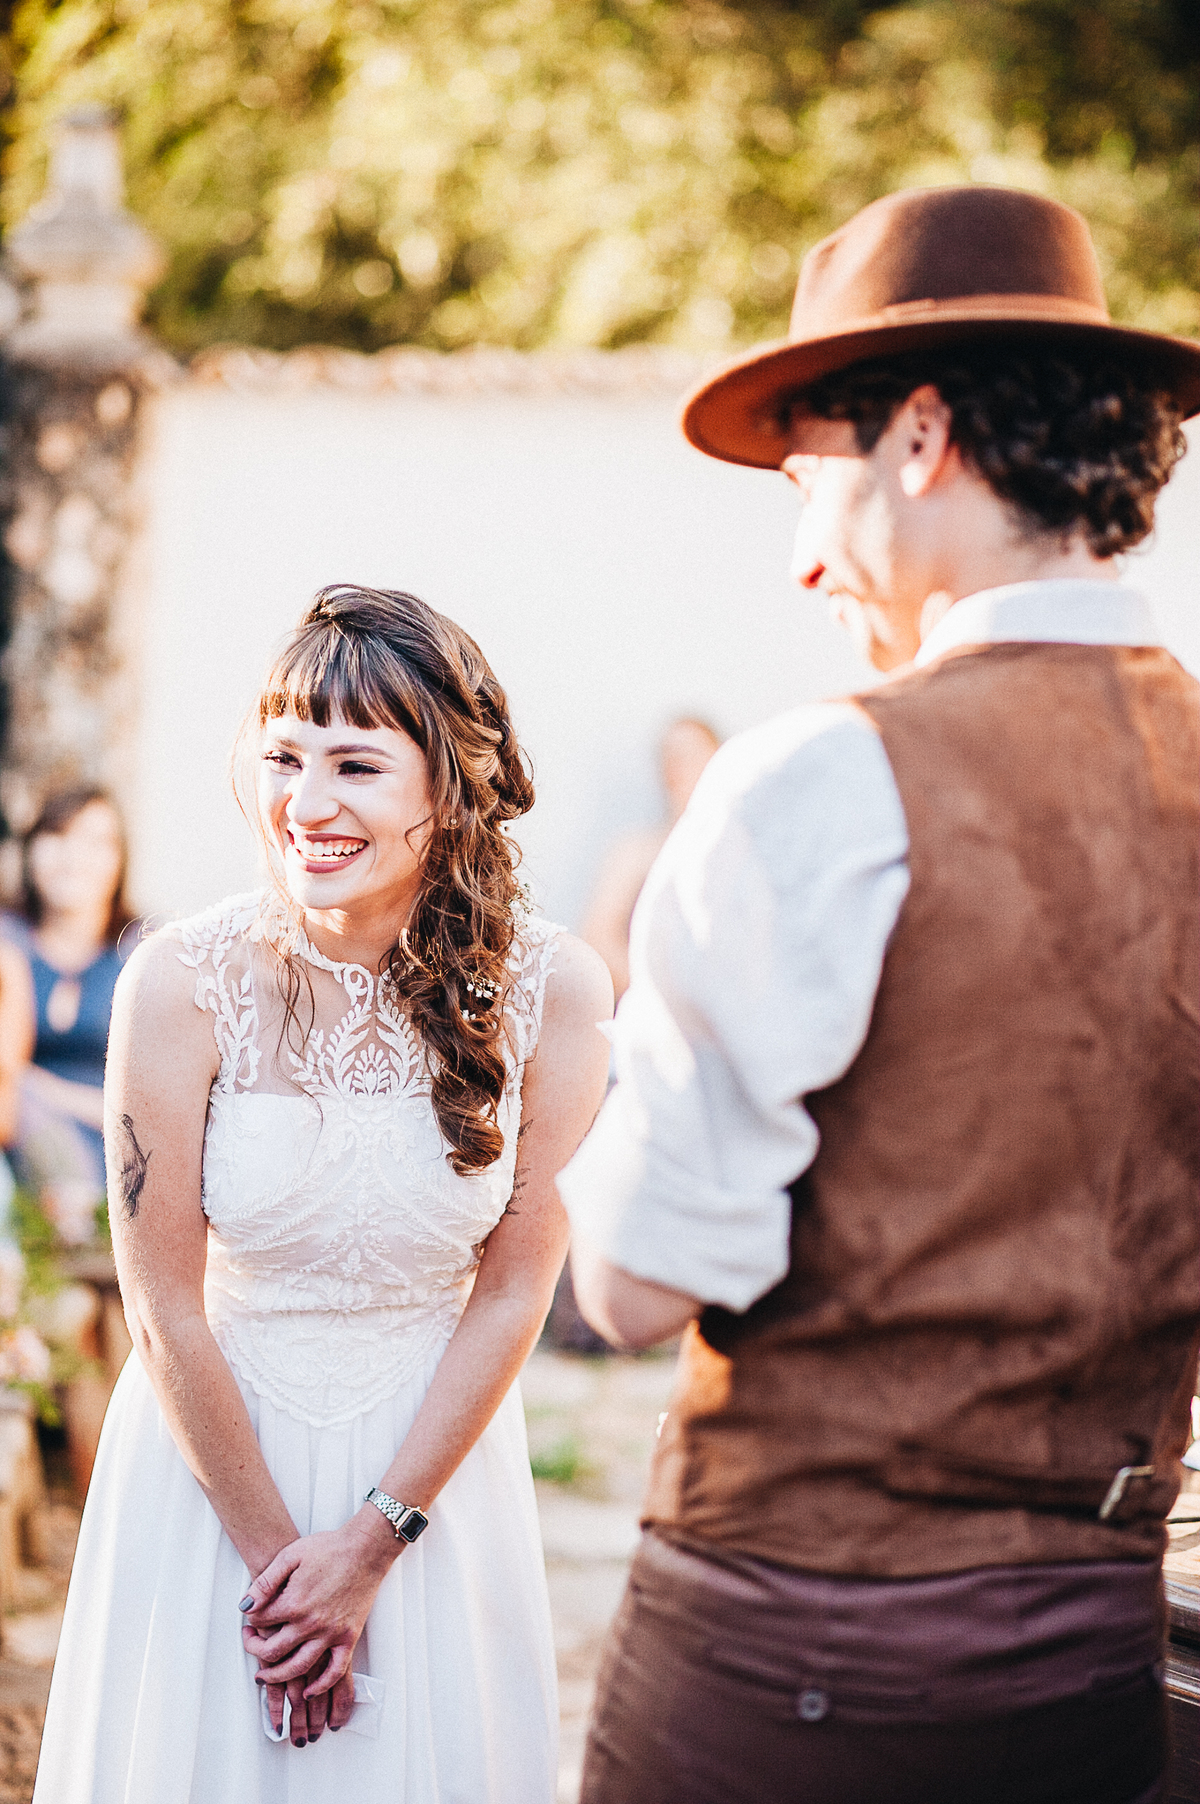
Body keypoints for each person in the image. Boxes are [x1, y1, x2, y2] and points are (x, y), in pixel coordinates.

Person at [559, 185, 1200, 1804]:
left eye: (806, 482)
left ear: (920, 439)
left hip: (794, 1666)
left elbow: (633, 1284)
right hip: (1103, 1669)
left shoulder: (824, 774)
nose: (797, 559)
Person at [32, 585, 612, 1803]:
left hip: (430, 1479)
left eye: (356, 763)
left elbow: (515, 1290)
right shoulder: (181, 984)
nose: (306, 802)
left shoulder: (555, 990)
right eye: (284, 756)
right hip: (209, 1475)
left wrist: (372, 1540)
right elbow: (162, 1304)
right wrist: (281, 1568)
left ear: (448, 787)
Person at [7, 787, 137, 1240]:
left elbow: (153, 1099)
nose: (72, 856)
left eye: (95, 841)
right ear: (30, 848)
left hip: (117, 1152)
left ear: (119, 859)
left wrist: (37, 1088)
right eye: (57, 835)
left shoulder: (141, 955)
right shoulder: (7, 940)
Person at [580, 717, 719, 1000]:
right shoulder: (635, 851)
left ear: (718, 761)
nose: (678, 766)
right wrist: (659, 1000)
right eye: (670, 756)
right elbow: (598, 938)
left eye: (690, 755)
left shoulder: (740, 853)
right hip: (648, 1013)